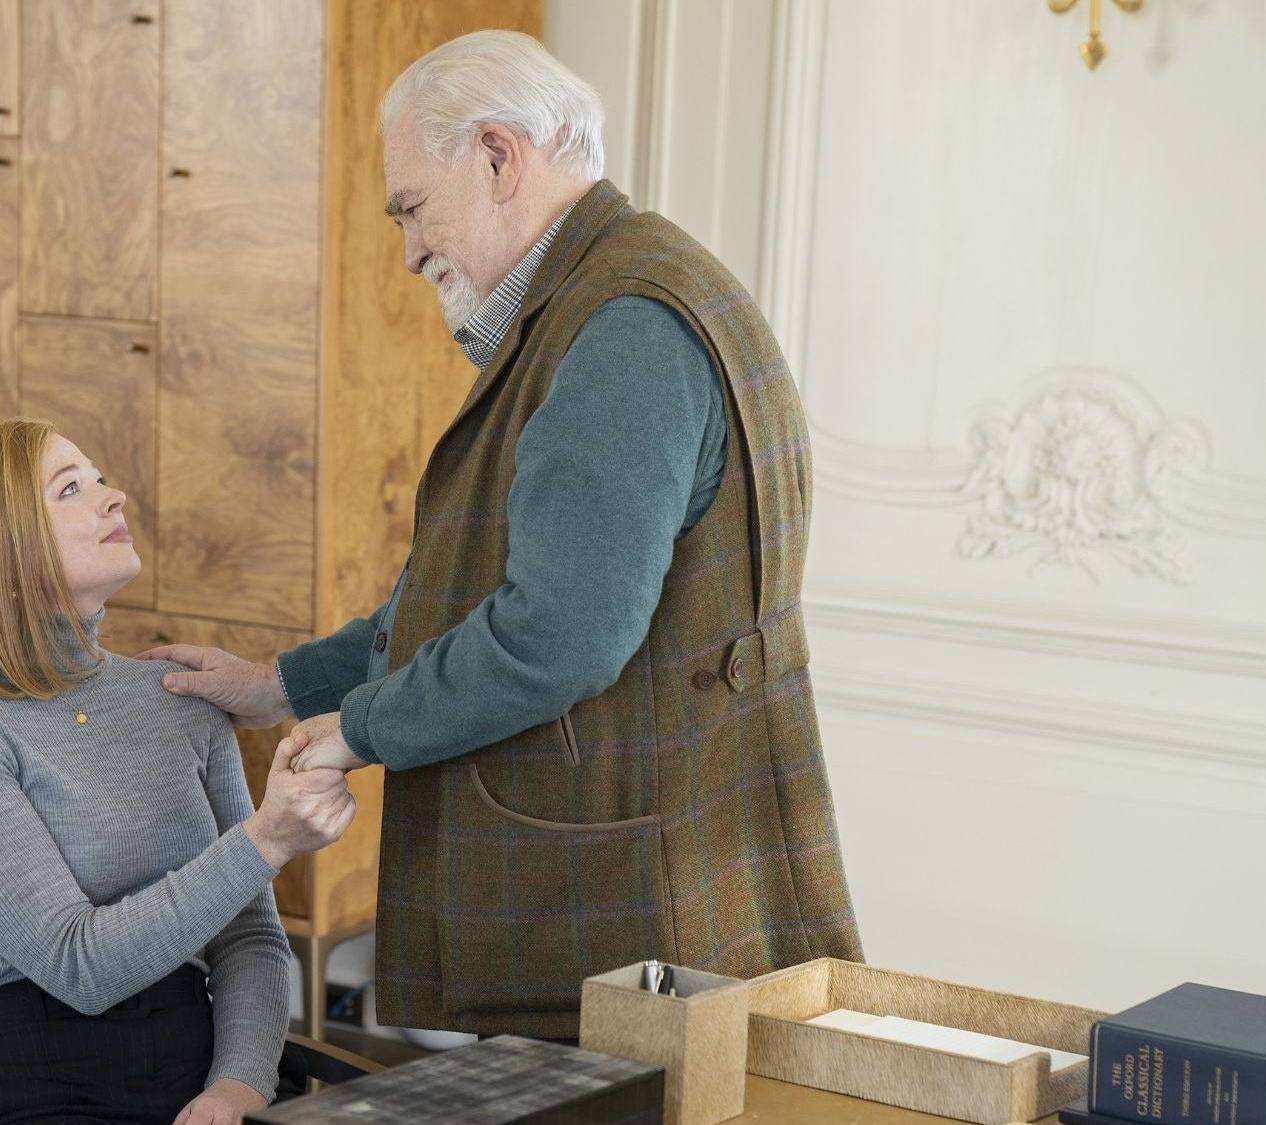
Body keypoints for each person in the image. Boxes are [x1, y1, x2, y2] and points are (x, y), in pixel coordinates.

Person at [144, 31, 862, 1041]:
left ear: (495, 157)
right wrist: (280, 687)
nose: (406, 251)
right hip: (645, 881)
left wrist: (355, 731)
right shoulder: (620, 292)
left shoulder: (620, 331)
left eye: (410, 208)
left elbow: (554, 635)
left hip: (634, 909)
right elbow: (468, 589)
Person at [0, 420, 356, 1124]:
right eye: (71, 488)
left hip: (198, 1070)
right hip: (26, 1083)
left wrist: (239, 1088)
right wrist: (267, 839)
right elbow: (78, 967)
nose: (114, 495)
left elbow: (250, 938)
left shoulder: (180, 699)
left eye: (99, 478)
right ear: (0, 542)